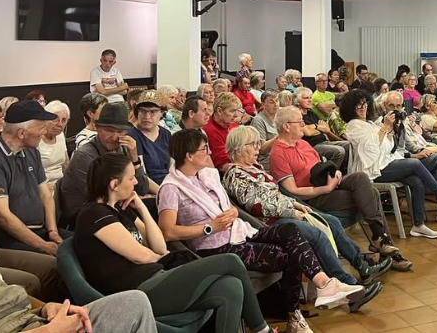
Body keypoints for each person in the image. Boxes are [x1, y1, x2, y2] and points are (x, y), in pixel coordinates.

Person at [156, 131, 370, 323]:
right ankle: (295, 315)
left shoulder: (207, 177)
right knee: (292, 254)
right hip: (214, 247)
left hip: (238, 232)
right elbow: (168, 232)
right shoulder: (171, 188)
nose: (210, 152)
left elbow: (226, 207)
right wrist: (210, 227)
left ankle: (324, 285)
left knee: (291, 231)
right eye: (204, 149)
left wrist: (232, 212)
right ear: (189, 155)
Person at [74, 153, 273, 333]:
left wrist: (141, 208)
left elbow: (160, 246)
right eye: (130, 177)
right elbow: (141, 256)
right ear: (114, 184)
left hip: (154, 276)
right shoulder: (94, 214)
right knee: (230, 261)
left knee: (230, 287)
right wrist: (161, 257)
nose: (136, 181)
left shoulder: (120, 209)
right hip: (135, 290)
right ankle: (262, 329)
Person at [223, 126, 392, 288]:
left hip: (283, 212)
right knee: (317, 234)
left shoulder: (255, 168)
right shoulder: (235, 175)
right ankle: (346, 282)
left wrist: (295, 204)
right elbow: (258, 206)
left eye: (258, 143)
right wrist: (292, 211)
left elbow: (275, 195)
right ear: (239, 149)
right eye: (253, 144)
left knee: (332, 222)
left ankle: (362, 265)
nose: (258, 148)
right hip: (270, 223)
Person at [269, 106, 412, 268]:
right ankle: (382, 242)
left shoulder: (303, 144)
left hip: (326, 183)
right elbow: (292, 191)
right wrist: (326, 189)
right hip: (314, 197)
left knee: (360, 177)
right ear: (286, 126)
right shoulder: (278, 154)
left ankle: (380, 239)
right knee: (371, 193)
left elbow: (320, 166)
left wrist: (335, 173)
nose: (304, 125)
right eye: (300, 122)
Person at [341, 90, 437, 239]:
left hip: (385, 162)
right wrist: (385, 127)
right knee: (414, 164)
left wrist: (390, 130)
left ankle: (418, 225)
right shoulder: (353, 125)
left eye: (364, 104)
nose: (363, 108)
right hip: (372, 169)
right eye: (358, 106)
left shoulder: (369, 123)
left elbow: (387, 147)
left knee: (416, 180)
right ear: (351, 108)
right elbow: (372, 149)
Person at [0, 239, 159, 333]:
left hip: (29, 321)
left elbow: (3, 296)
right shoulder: (94, 214)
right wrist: (50, 331)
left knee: (134, 302)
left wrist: (45, 308)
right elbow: (144, 255)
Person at [0, 101, 71, 254]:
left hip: (41, 231)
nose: (45, 132)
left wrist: (53, 231)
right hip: (9, 237)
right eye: (41, 127)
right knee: (58, 261)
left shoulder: (32, 152)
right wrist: (42, 245)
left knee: (88, 244)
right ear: (22, 133)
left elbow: (46, 196)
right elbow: (3, 217)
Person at [60, 102, 149, 227]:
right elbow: (100, 198)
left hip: (113, 207)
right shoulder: (85, 155)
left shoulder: (123, 149)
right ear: (97, 128)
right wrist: (132, 196)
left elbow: (142, 188)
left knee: (153, 208)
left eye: (120, 131)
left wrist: (134, 157)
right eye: (109, 130)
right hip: (83, 216)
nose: (114, 137)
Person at [294, 87, 349, 169]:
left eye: (310, 98)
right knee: (339, 151)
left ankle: (345, 170)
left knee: (349, 145)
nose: (310, 100)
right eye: (306, 98)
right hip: (311, 145)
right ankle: (329, 173)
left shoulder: (311, 113)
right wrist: (318, 127)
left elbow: (325, 128)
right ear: (297, 101)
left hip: (323, 141)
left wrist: (314, 128)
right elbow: (307, 132)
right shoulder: (296, 114)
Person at [127, 91, 172, 187]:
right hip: (149, 188)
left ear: (162, 113)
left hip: (169, 184)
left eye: (153, 112)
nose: (147, 117)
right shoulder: (132, 135)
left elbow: (173, 168)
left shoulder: (166, 134)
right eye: (143, 111)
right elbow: (142, 176)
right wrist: (161, 192)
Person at [205, 92, 240, 171]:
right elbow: (223, 165)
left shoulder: (232, 125)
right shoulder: (210, 130)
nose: (236, 115)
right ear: (219, 111)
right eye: (232, 111)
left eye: (237, 111)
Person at [38, 101, 70, 189]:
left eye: (64, 120)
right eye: (55, 119)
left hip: (61, 186)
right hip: (43, 188)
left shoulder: (60, 135)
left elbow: (66, 164)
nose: (60, 124)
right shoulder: (36, 139)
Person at [251, 90, 279, 171]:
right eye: (271, 102)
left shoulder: (280, 117)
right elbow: (261, 149)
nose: (276, 104)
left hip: (281, 154)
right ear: (263, 104)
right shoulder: (258, 120)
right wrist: (279, 136)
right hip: (267, 160)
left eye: (277, 101)